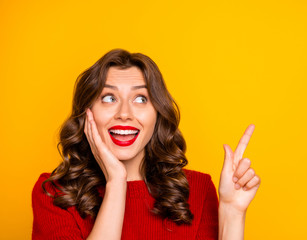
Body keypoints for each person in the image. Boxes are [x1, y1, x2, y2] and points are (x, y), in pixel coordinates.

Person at [32, 49, 261, 240]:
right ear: (87, 112)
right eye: (109, 98)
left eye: (141, 99)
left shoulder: (197, 189)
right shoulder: (54, 194)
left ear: (157, 115)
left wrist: (233, 213)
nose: (124, 113)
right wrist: (116, 182)